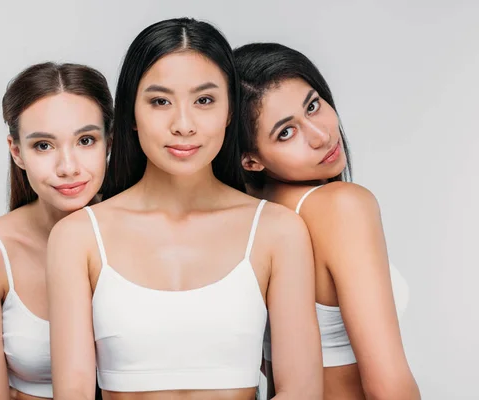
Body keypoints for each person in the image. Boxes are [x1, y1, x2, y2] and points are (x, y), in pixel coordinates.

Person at [47, 18, 323, 400]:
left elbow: (302, 391)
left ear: (230, 110)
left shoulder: (278, 230)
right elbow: (73, 392)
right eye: (160, 101)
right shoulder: (77, 237)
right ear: (130, 113)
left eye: (204, 100)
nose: (183, 125)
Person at [234, 42, 420, 400]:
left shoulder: (247, 215)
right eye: (286, 132)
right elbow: (389, 385)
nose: (321, 136)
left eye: (313, 106)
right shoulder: (342, 207)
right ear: (250, 160)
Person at [0, 62, 112, 400]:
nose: (68, 167)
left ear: (108, 143)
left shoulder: (144, 231)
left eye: (86, 140)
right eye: (44, 145)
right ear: (17, 152)